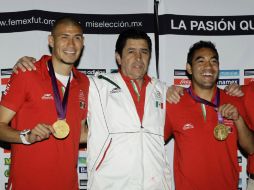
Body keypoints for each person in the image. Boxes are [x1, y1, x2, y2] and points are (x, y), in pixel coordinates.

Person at [12, 29, 172, 190]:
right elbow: (58, 72)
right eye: (131, 51)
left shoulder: (164, 90)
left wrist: (175, 90)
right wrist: (32, 64)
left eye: (144, 52)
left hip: (156, 184)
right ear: (118, 57)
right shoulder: (94, 85)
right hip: (110, 184)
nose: (138, 58)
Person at [0, 17, 89, 190]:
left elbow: (79, 134)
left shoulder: (84, 82)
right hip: (27, 184)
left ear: (83, 42)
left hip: (68, 185)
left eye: (77, 37)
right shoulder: (27, 73)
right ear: (51, 40)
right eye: (64, 37)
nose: (71, 44)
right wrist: (26, 136)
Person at [164, 40, 254, 190]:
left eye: (213, 61)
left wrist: (238, 119)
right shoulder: (174, 103)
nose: (208, 66)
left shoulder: (234, 100)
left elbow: (251, 148)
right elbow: (153, 142)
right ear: (189, 68)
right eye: (201, 61)